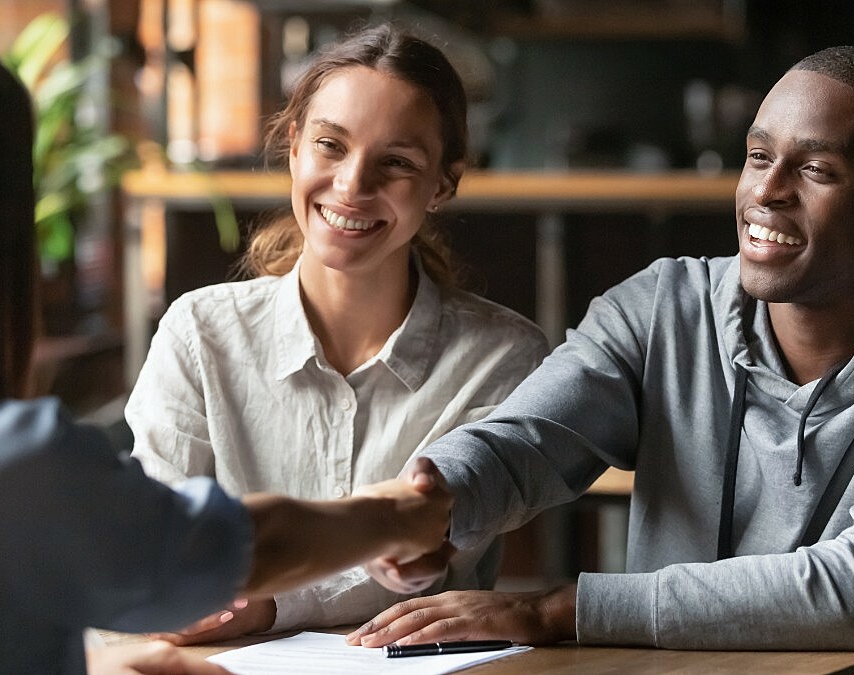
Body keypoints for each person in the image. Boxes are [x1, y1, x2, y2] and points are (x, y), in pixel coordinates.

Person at [346, 45, 854, 673]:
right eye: (758, 156)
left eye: (815, 168)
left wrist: (559, 610)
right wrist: (435, 498)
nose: (766, 193)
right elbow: (526, 440)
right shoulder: (662, 305)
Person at [0, 24, 451, 674]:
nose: (351, 184)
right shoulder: (5, 464)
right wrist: (399, 515)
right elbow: (218, 545)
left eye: (395, 160)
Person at [124, 23, 548, 644]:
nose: (352, 185)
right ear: (293, 146)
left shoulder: (502, 359)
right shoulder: (198, 333)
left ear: (444, 184)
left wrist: (266, 602)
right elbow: (157, 546)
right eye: (331, 145)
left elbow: (427, 555)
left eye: (397, 162)